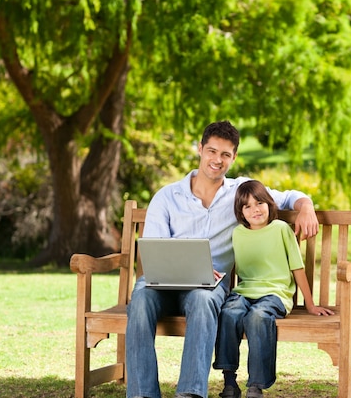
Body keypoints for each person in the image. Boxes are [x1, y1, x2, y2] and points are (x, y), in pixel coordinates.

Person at [125, 121, 319, 398]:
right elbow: (153, 248)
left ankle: (190, 393)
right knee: (141, 298)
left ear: (234, 157)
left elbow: (289, 197)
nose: (217, 160)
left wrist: (307, 206)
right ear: (200, 149)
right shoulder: (167, 197)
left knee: (203, 301)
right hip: (163, 283)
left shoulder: (240, 193)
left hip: (209, 285)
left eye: (225, 154)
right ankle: (143, 394)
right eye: (212, 151)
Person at [213, 180, 334, 398]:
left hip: (275, 294)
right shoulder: (238, 234)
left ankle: (255, 385)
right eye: (247, 206)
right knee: (229, 312)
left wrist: (310, 304)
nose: (255, 209)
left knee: (257, 317)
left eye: (259, 203)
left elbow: (297, 268)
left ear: (270, 204)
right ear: (240, 212)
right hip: (245, 291)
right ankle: (229, 381)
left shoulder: (281, 229)